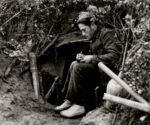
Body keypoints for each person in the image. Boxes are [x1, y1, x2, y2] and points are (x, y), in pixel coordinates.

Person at [55, 11, 122, 118]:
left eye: (84, 30)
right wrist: (83, 57)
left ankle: (80, 105)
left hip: (108, 75)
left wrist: (92, 58)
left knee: (78, 67)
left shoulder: (107, 34)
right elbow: (97, 55)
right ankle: (69, 100)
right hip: (100, 70)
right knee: (74, 63)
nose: (83, 34)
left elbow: (115, 56)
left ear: (92, 25)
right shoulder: (95, 37)